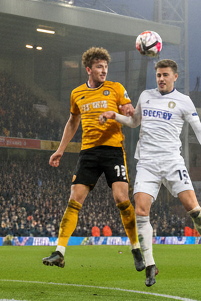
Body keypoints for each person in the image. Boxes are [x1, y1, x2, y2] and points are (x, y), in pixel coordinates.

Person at [102, 58, 201, 287]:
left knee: (194, 209)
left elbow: (199, 130)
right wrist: (115, 116)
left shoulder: (184, 101)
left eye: (165, 75)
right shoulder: (145, 96)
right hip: (147, 162)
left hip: (172, 162)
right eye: (158, 75)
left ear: (174, 77)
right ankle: (150, 266)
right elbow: (134, 122)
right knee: (141, 211)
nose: (161, 79)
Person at [41, 47, 144, 270]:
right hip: (88, 152)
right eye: (99, 67)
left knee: (121, 198)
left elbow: (128, 109)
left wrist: (127, 109)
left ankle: (136, 247)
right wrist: (61, 149)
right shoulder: (77, 93)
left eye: (106, 67)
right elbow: (72, 122)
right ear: (88, 69)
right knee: (74, 198)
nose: (104, 70)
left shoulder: (116, 88)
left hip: (113, 150)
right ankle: (59, 252)